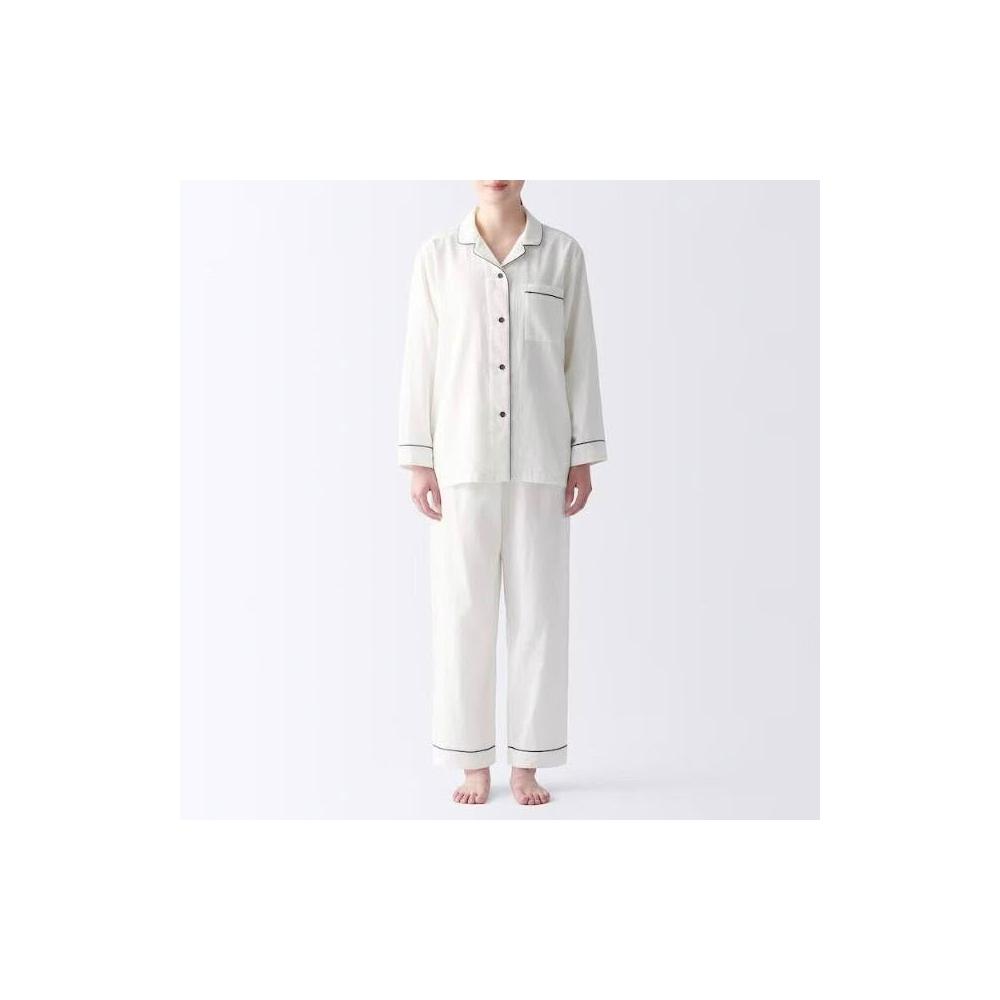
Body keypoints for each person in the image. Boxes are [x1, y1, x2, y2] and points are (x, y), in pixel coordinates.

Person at [398, 181, 607, 805]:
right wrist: (418, 458)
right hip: (461, 460)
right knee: (462, 613)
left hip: (542, 458)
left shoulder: (562, 254)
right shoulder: (437, 256)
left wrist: (583, 453)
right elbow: (421, 359)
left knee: (539, 614)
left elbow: (579, 358)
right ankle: (470, 760)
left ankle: (529, 760)